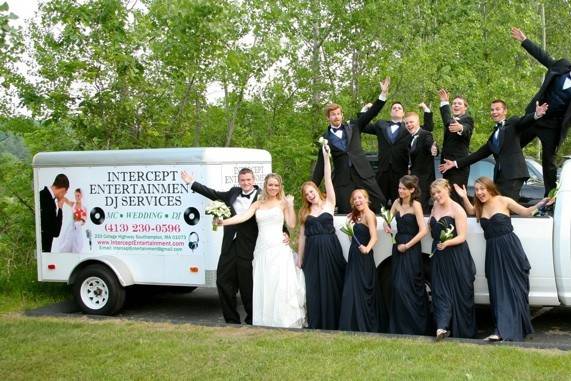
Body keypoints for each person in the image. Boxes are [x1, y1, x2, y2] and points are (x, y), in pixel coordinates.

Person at [455, 177, 550, 341]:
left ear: (490, 188)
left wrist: (542, 203)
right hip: (492, 251)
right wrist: (464, 196)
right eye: (476, 190)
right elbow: (470, 211)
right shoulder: (480, 207)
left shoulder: (504, 200)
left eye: (482, 189)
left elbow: (526, 212)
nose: (479, 193)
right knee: (497, 290)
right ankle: (501, 329)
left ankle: (509, 328)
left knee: (514, 288)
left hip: (510, 249)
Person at [219, 173, 305, 328]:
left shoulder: (283, 203)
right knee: (264, 283)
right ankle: (266, 320)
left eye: (276, 185)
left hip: (278, 248)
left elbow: (292, 225)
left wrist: (290, 205)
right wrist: (223, 222)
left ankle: (282, 320)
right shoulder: (258, 203)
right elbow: (242, 217)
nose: (273, 188)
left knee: (279, 284)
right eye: (270, 185)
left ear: (280, 187)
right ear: (265, 186)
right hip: (261, 248)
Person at [181, 168, 261, 325]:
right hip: (229, 246)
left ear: (254, 180)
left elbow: (273, 214)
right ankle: (231, 320)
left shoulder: (262, 196)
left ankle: (252, 320)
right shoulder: (233, 192)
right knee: (222, 281)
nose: (246, 183)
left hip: (249, 247)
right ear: (239, 181)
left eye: (248, 180)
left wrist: (284, 232)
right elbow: (213, 194)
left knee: (248, 286)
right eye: (243, 180)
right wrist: (192, 182)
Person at [440, 99, 548, 200]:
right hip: (500, 177)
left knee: (505, 207)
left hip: (514, 173)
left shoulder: (512, 123)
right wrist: (455, 163)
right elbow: (478, 154)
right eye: (492, 110)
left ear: (505, 111)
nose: (494, 112)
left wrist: (536, 115)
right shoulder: (493, 137)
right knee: (499, 207)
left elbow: (523, 121)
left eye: (497, 109)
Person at [312, 80, 387, 214]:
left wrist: (383, 95)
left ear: (342, 115)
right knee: (345, 211)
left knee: (380, 202)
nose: (336, 117)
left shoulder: (354, 127)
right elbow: (320, 166)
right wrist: (311, 186)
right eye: (333, 114)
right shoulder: (325, 139)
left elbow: (371, 114)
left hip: (363, 173)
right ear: (328, 117)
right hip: (342, 180)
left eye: (338, 114)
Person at [511, 27, 571, 196]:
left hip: (552, 127)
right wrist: (525, 40)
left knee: (549, 163)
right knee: (511, 143)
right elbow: (544, 57)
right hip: (534, 117)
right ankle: (506, 179)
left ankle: (550, 197)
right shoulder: (563, 66)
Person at [363, 79, 434, 205]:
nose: (396, 109)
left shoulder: (409, 128)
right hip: (382, 171)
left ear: (403, 113)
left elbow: (427, 128)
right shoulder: (381, 125)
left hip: (400, 173)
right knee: (379, 203)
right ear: (390, 112)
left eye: (399, 108)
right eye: (394, 108)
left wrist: (426, 111)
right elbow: (363, 126)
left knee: (401, 203)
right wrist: (364, 110)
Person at [298, 144, 346, 330]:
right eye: (306, 194)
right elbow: (302, 236)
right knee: (314, 286)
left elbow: (328, 178)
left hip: (330, 248)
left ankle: (334, 322)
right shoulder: (304, 212)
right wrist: (299, 258)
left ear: (316, 191)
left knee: (332, 284)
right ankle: (316, 322)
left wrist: (326, 158)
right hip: (312, 252)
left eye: (311, 191)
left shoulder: (329, 203)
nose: (310, 195)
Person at [429, 179, 477, 341]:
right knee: (440, 291)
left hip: (456, 255)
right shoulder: (435, 206)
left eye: (439, 192)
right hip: (439, 255)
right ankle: (442, 327)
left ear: (447, 189)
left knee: (459, 293)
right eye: (434, 194)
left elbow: (462, 236)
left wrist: (447, 242)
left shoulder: (457, 209)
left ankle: (462, 331)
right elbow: (431, 228)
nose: (436, 196)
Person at [383, 175, 430, 335]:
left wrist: (407, 246)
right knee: (397, 286)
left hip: (411, 247)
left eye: (403, 188)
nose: (400, 190)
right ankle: (399, 327)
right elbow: (387, 218)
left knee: (410, 286)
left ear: (411, 190)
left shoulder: (416, 205)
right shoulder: (396, 202)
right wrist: (386, 225)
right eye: (399, 187)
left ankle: (416, 327)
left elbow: (423, 230)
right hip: (398, 246)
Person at [338, 189, 382, 332]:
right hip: (354, 256)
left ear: (366, 198)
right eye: (355, 199)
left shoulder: (369, 215)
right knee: (351, 290)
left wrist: (367, 248)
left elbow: (374, 237)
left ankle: (365, 325)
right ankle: (353, 325)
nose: (357, 201)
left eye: (360, 198)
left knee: (362, 290)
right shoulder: (356, 216)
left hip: (364, 258)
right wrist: (349, 224)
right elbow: (352, 239)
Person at [437, 89, 474, 203]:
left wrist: (461, 128)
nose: (456, 105)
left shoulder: (467, 119)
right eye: (454, 103)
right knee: (446, 198)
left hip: (458, 168)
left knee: (456, 199)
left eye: (459, 103)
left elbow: (466, 129)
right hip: (446, 167)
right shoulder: (451, 120)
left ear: (465, 107)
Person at [404, 112, 437, 213]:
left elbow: (430, 145)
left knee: (422, 208)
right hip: (414, 181)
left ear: (418, 122)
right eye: (406, 123)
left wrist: (434, 149)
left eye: (411, 122)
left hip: (424, 180)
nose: (409, 125)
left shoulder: (425, 134)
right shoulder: (409, 138)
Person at [39, 173, 69, 252]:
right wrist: (60, 209)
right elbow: (56, 232)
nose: (64, 196)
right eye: (65, 193)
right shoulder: (50, 202)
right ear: (62, 190)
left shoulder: (41, 194)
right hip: (45, 248)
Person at [57, 188, 87, 253]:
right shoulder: (73, 204)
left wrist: (79, 223)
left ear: (81, 195)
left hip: (78, 227)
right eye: (75, 196)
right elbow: (66, 200)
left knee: (76, 242)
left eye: (78, 195)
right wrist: (61, 195)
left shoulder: (84, 207)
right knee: (67, 240)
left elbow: (84, 219)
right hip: (71, 226)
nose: (77, 197)